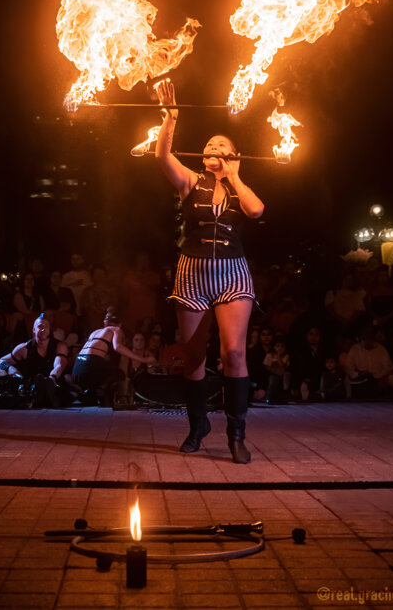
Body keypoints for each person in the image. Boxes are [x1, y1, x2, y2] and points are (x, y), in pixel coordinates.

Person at [155, 79, 264, 464]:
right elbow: (162, 158)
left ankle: (237, 433)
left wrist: (234, 176)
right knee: (194, 356)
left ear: (234, 156)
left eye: (222, 146)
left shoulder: (239, 187)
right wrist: (170, 118)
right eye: (210, 146)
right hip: (192, 273)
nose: (214, 148)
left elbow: (257, 211)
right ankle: (198, 425)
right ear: (202, 158)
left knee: (234, 351)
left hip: (233, 273)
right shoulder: (190, 181)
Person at [70, 308, 156, 402]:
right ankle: (102, 390)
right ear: (120, 324)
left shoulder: (95, 332)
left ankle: (86, 393)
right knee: (119, 373)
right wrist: (143, 360)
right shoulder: (116, 329)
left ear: (105, 322)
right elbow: (117, 347)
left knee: (105, 370)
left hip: (77, 369)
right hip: (91, 365)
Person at [0, 313, 68, 407]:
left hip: (54, 385)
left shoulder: (59, 346)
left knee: (66, 382)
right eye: (40, 326)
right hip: (33, 387)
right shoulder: (24, 348)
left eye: (46, 326)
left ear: (49, 330)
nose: (43, 329)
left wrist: (52, 378)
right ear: (34, 330)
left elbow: (59, 365)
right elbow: (2, 361)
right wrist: (11, 369)